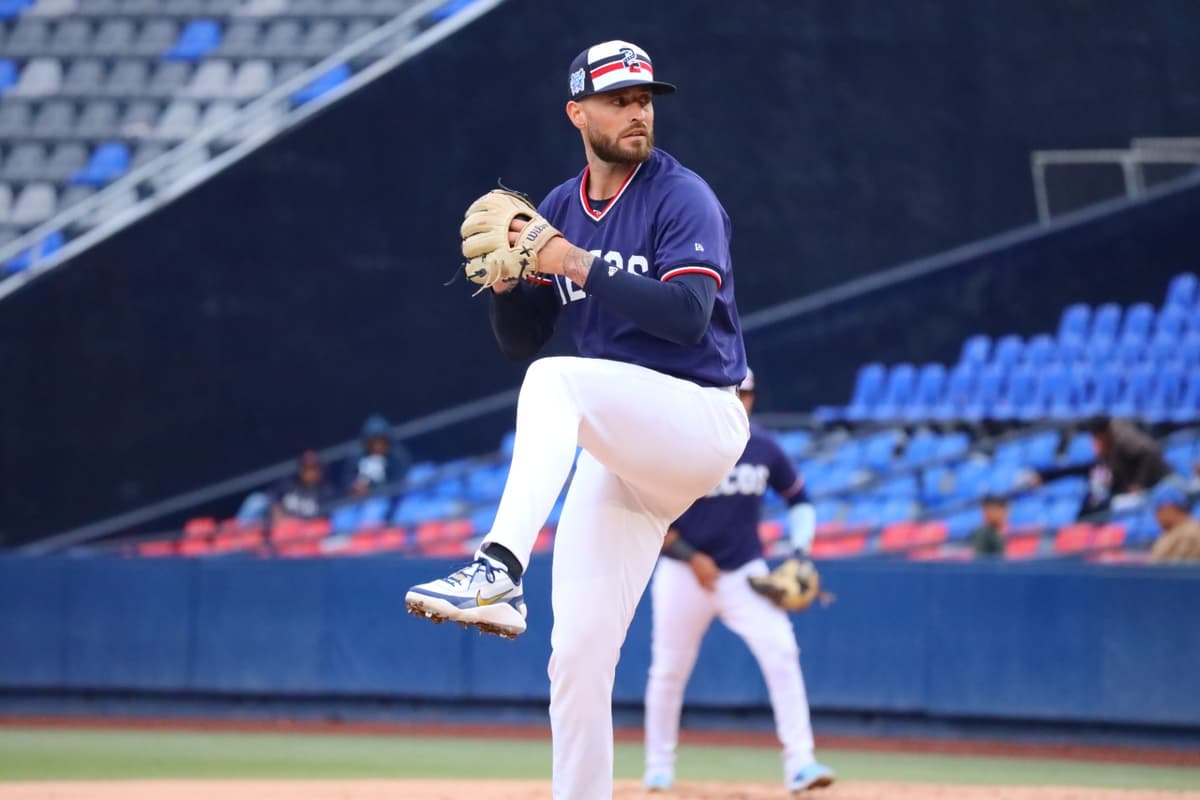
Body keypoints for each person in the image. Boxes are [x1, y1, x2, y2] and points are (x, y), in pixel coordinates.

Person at [405, 40, 750, 800]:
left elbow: (689, 317)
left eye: (646, 98)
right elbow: (521, 340)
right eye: (620, 98)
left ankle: (497, 568)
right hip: (624, 447)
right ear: (578, 113)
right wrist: (506, 282)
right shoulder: (559, 208)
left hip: (698, 417)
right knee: (578, 652)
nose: (638, 110)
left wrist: (566, 260)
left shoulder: (679, 195)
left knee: (556, 382)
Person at [642, 369, 835, 794]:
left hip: (745, 572)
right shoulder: (681, 446)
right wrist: (691, 557)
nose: (741, 399)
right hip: (682, 573)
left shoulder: (763, 447)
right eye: (733, 391)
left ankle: (801, 763)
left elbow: (800, 501)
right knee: (669, 670)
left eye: (746, 393)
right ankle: (658, 768)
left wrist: (800, 551)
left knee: (782, 653)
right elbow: (651, 517)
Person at [1030, 416, 1171, 517]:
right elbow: (1083, 469)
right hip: (1122, 493)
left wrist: (1138, 483)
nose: (1094, 441)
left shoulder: (1124, 439)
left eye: (1096, 436)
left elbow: (1150, 453)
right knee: (1092, 506)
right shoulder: (1105, 452)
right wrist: (1045, 477)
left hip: (1154, 486)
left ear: (1103, 433)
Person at [341, 413, 410, 498]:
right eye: (374, 443)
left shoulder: (397, 455)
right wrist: (356, 486)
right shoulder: (357, 458)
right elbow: (349, 483)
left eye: (382, 442)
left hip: (396, 497)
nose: (378, 447)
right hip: (368, 502)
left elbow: (402, 479)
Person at [270, 450, 334, 521]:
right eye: (306, 469)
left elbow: (324, 518)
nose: (310, 473)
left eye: (313, 469)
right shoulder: (287, 484)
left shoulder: (326, 491)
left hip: (310, 528)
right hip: (286, 525)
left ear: (320, 470)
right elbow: (275, 502)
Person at [1149, 482, 1200, 563]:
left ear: (1169, 508)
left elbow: (1172, 572)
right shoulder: (1173, 531)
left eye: (1159, 510)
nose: (1156, 517)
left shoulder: (1189, 534)